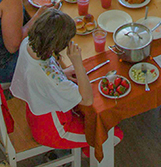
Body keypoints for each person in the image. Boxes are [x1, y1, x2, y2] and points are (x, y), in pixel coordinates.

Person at [10, 8, 101, 152]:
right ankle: (85, 153)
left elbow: (42, 76)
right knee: (108, 135)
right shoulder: (53, 81)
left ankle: (82, 149)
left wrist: (62, 73)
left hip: (36, 111)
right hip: (56, 130)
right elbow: (87, 99)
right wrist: (77, 64)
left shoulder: (28, 43)